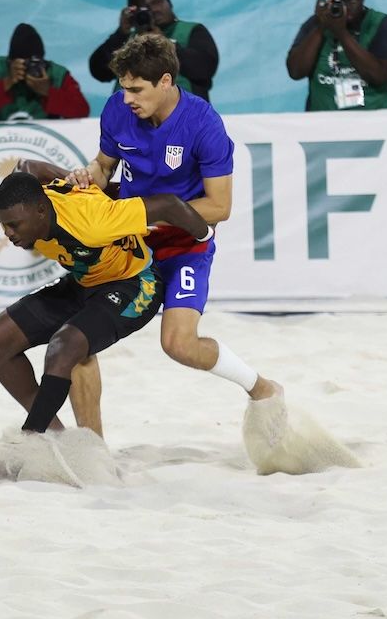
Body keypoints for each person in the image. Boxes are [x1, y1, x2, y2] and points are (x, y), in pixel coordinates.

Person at [65, 33, 279, 438]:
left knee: (179, 345)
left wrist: (147, 215)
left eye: (136, 89)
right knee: (75, 340)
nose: (127, 98)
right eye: (123, 88)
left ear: (165, 81)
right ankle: (92, 449)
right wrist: (87, 175)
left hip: (184, 246)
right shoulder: (117, 109)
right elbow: (104, 166)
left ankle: (260, 387)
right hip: (130, 244)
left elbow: (220, 206)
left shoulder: (204, 123)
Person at [0, 169, 214, 434]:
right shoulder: (36, 207)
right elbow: (27, 166)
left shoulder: (93, 222)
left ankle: (32, 436)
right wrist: (75, 176)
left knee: (64, 346)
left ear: (41, 210)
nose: (8, 234)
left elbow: (169, 204)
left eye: (14, 225)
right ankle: (52, 436)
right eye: (4, 224)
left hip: (134, 283)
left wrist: (205, 235)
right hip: (84, 280)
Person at [286, 0, 387, 110]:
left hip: (377, 120)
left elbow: (380, 76)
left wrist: (342, 33)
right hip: (323, 121)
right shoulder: (316, 24)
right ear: (331, 0)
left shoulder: (384, 26)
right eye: (342, 1)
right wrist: (321, 28)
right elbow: (295, 71)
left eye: (353, 0)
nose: (349, 7)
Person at [89, 0, 218, 101]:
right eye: (146, 8)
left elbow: (205, 68)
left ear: (169, 2)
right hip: (129, 114)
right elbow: (98, 71)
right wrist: (120, 34)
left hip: (183, 114)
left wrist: (165, 43)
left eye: (156, 2)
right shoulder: (128, 40)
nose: (154, 10)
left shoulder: (191, 31)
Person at [0, 23, 90, 121]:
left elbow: (82, 111)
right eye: (22, 63)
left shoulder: (57, 75)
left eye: (34, 63)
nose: (27, 68)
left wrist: (48, 92)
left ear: (43, 61)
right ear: (9, 61)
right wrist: (6, 83)